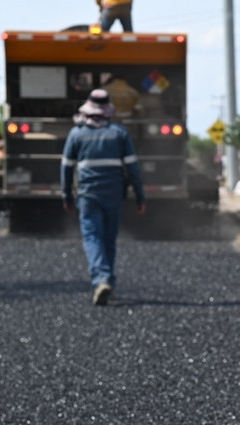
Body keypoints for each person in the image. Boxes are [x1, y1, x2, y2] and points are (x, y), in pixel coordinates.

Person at [61, 89, 146, 306]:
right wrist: (140, 196)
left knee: (92, 237)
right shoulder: (119, 133)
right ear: (108, 110)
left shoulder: (77, 134)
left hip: (88, 195)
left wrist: (66, 196)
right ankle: (108, 281)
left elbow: (67, 168)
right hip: (114, 194)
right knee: (109, 238)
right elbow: (133, 168)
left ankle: (102, 279)